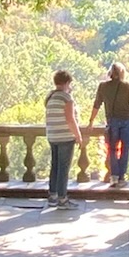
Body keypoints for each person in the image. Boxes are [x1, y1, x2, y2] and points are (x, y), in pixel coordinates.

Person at [90, 61, 129, 188]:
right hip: (127, 120)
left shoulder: (103, 86)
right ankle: (121, 177)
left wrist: (91, 121)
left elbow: (96, 105)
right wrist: (127, 111)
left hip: (112, 121)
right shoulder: (127, 86)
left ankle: (114, 177)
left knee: (112, 149)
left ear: (110, 73)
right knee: (124, 149)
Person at [43, 68, 84, 208]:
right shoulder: (66, 98)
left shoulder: (50, 97)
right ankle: (62, 198)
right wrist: (78, 136)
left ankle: (52, 195)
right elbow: (70, 119)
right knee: (63, 168)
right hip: (65, 136)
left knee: (55, 166)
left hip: (52, 135)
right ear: (66, 83)